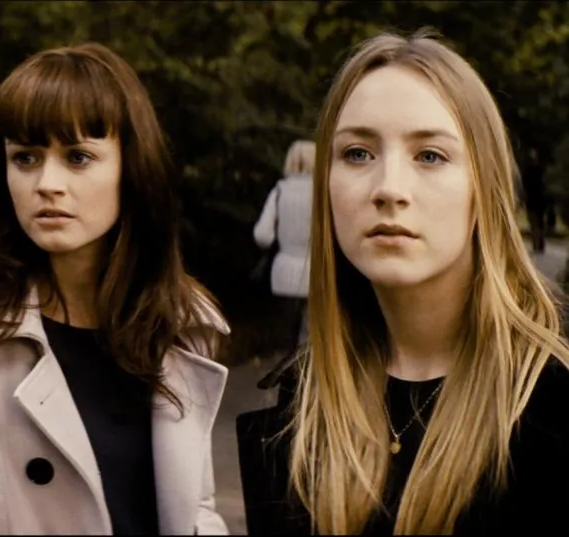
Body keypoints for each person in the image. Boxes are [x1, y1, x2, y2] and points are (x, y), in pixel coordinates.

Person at [0, 42, 230, 535]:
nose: (47, 183)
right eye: (26, 158)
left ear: (132, 168)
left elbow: (195, 508)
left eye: (78, 157)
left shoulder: (178, 321)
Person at [240, 29, 569, 535]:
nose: (389, 188)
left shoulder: (552, 402)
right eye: (357, 153)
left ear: (483, 187)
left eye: (430, 156)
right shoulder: (300, 410)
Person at [253, 140, 315, 353]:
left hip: (283, 275)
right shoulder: (324, 193)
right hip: (316, 274)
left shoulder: (279, 191)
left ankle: (287, 369)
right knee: (310, 339)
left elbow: (262, 235)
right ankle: (305, 372)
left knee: (286, 340)